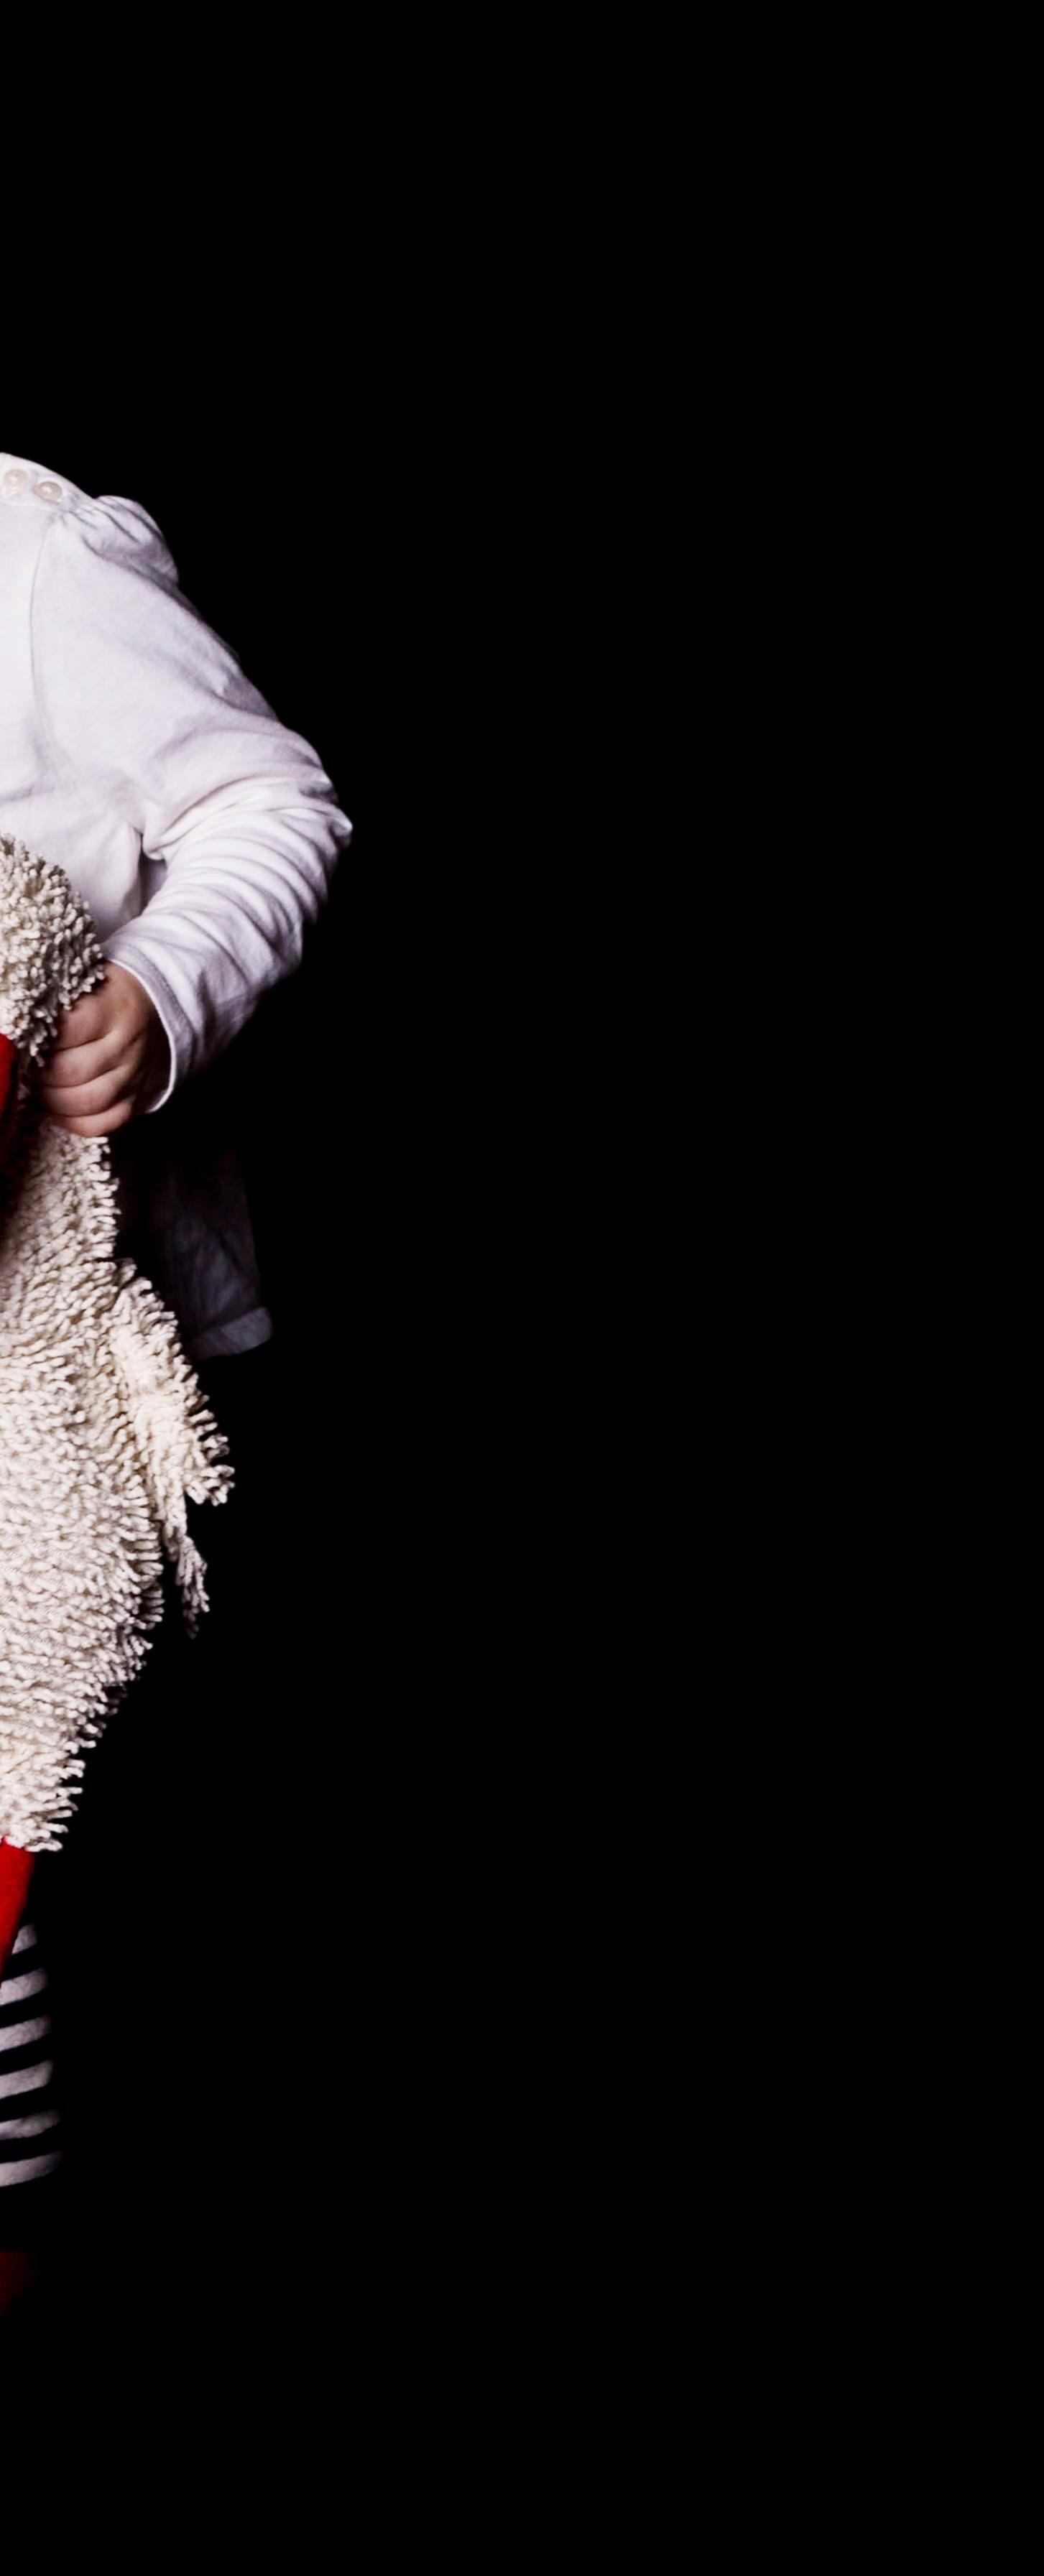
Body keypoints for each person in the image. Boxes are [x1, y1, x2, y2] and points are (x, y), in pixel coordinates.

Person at [0, 447, 354, 2330]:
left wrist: (162, 987)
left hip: (81, 1369)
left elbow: (267, 799)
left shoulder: (32, 564)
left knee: (36, 1855)